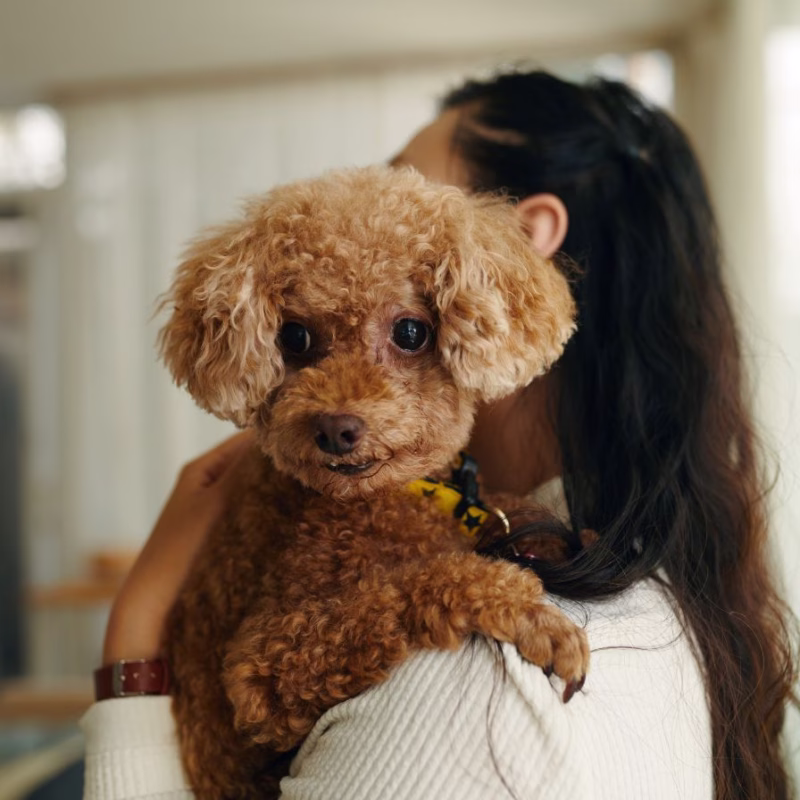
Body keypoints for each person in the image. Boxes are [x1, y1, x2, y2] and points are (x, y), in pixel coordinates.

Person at [80, 70, 797, 800]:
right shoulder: (637, 581)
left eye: (409, 333)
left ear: (524, 240)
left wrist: (131, 646)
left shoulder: (479, 688)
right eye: (299, 341)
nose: (341, 405)